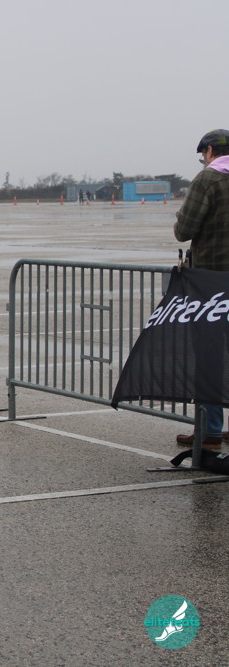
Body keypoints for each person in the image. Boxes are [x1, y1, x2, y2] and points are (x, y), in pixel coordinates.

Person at [173, 128, 229, 451]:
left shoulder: (208, 179)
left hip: (212, 282)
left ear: (209, 151)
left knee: (210, 358)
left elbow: (185, 229)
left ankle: (210, 432)